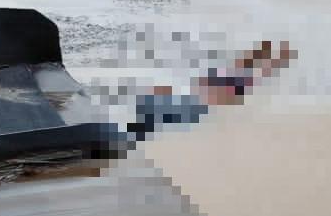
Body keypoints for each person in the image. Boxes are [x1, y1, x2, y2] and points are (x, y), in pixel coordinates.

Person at [125, 40, 294, 144]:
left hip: (205, 94)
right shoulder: (146, 108)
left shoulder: (170, 120)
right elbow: (162, 90)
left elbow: (164, 93)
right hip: (202, 89)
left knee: (246, 74)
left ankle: (275, 57)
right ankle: (273, 56)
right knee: (241, 70)